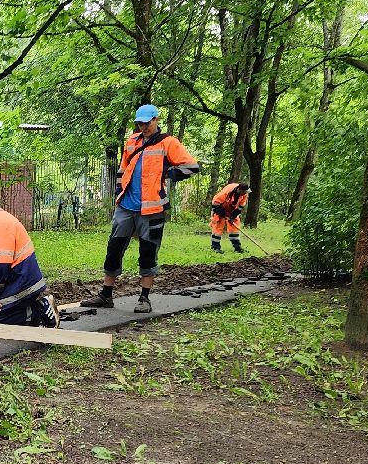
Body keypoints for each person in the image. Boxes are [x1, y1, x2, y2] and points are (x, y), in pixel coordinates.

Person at [88, 104, 200, 313]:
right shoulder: (132, 141)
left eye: (147, 123)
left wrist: (168, 173)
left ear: (156, 120)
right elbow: (123, 169)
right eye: (140, 123)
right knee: (113, 249)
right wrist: (118, 192)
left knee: (148, 252)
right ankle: (106, 294)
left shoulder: (168, 143)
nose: (143, 126)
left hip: (152, 209)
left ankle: (144, 298)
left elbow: (192, 167)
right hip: (126, 206)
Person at [0, 187, 60, 328]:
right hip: (21, 279)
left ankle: (40, 311)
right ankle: (32, 309)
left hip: (23, 282)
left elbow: (0, 264)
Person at [210, 181, 250, 253]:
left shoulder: (245, 193)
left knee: (234, 229)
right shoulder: (228, 191)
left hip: (232, 210)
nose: (244, 194)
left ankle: (237, 248)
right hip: (220, 207)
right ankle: (215, 247)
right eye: (243, 192)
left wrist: (233, 216)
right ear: (239, 190)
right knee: (218, 227)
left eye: (245, 193)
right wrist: (222, 213)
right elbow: (215, 202)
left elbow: (241, 206)